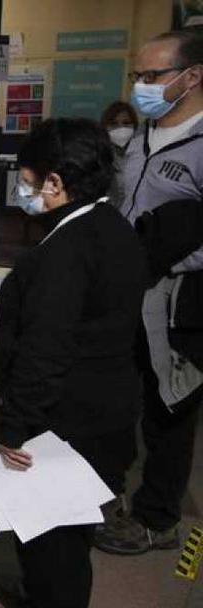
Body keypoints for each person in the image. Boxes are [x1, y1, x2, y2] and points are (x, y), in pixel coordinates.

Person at [0, 118, 146, 608]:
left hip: (65, 424)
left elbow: (45, 351)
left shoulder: (64, 252)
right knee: (71, 535)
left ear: (56, 183)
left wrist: (15, 429)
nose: (25, 190)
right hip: (109, 410)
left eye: (29, 180)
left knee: (51, 546)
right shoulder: (114, 226)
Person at [94, 29, 203, 556]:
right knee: (116, 399)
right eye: (136, 77)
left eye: (152, 76)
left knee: (170, 413)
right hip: (127, 296)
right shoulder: (138, 138)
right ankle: (103, 497)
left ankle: (159, 520)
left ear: (192, 76)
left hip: (181, 304)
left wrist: (162, 258)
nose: (142, 86)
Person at [98, 101, 139, 210]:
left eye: (126, 123)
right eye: (114, 124)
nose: (121, 128)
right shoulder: (99, 158)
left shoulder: (144, 156)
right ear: (105, 127)